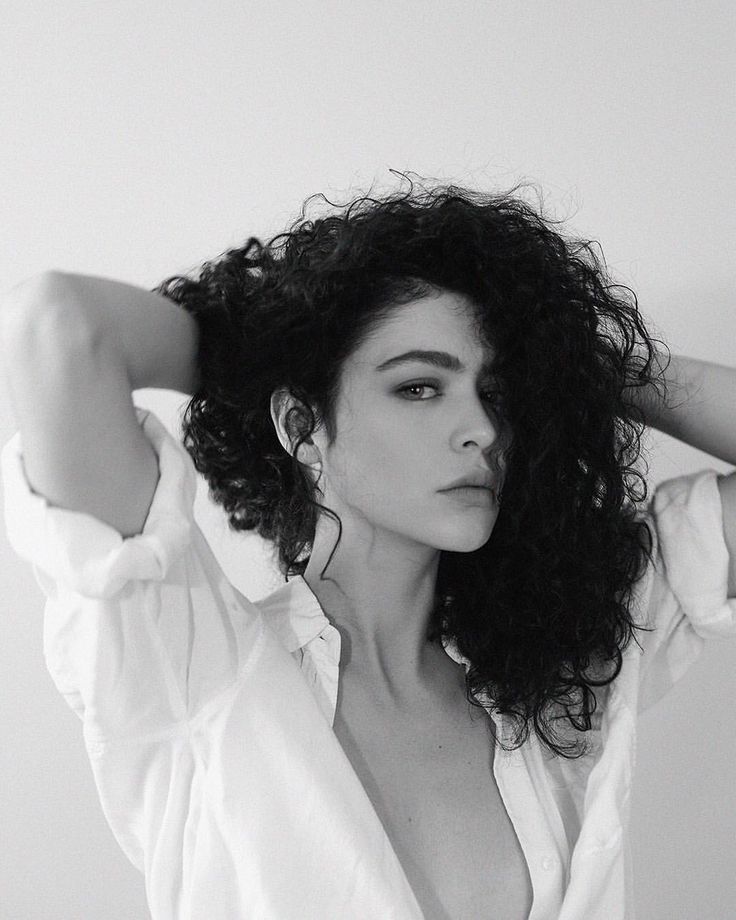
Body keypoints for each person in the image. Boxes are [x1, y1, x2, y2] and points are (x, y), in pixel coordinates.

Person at [2, 177, 735, 920]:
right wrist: (257, 350)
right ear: (299, 424)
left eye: (499, 393)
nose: (479, 428)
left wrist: (586, 373)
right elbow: (56, 324)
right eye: (419, 387)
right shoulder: (199, 668)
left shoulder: (564, 668)